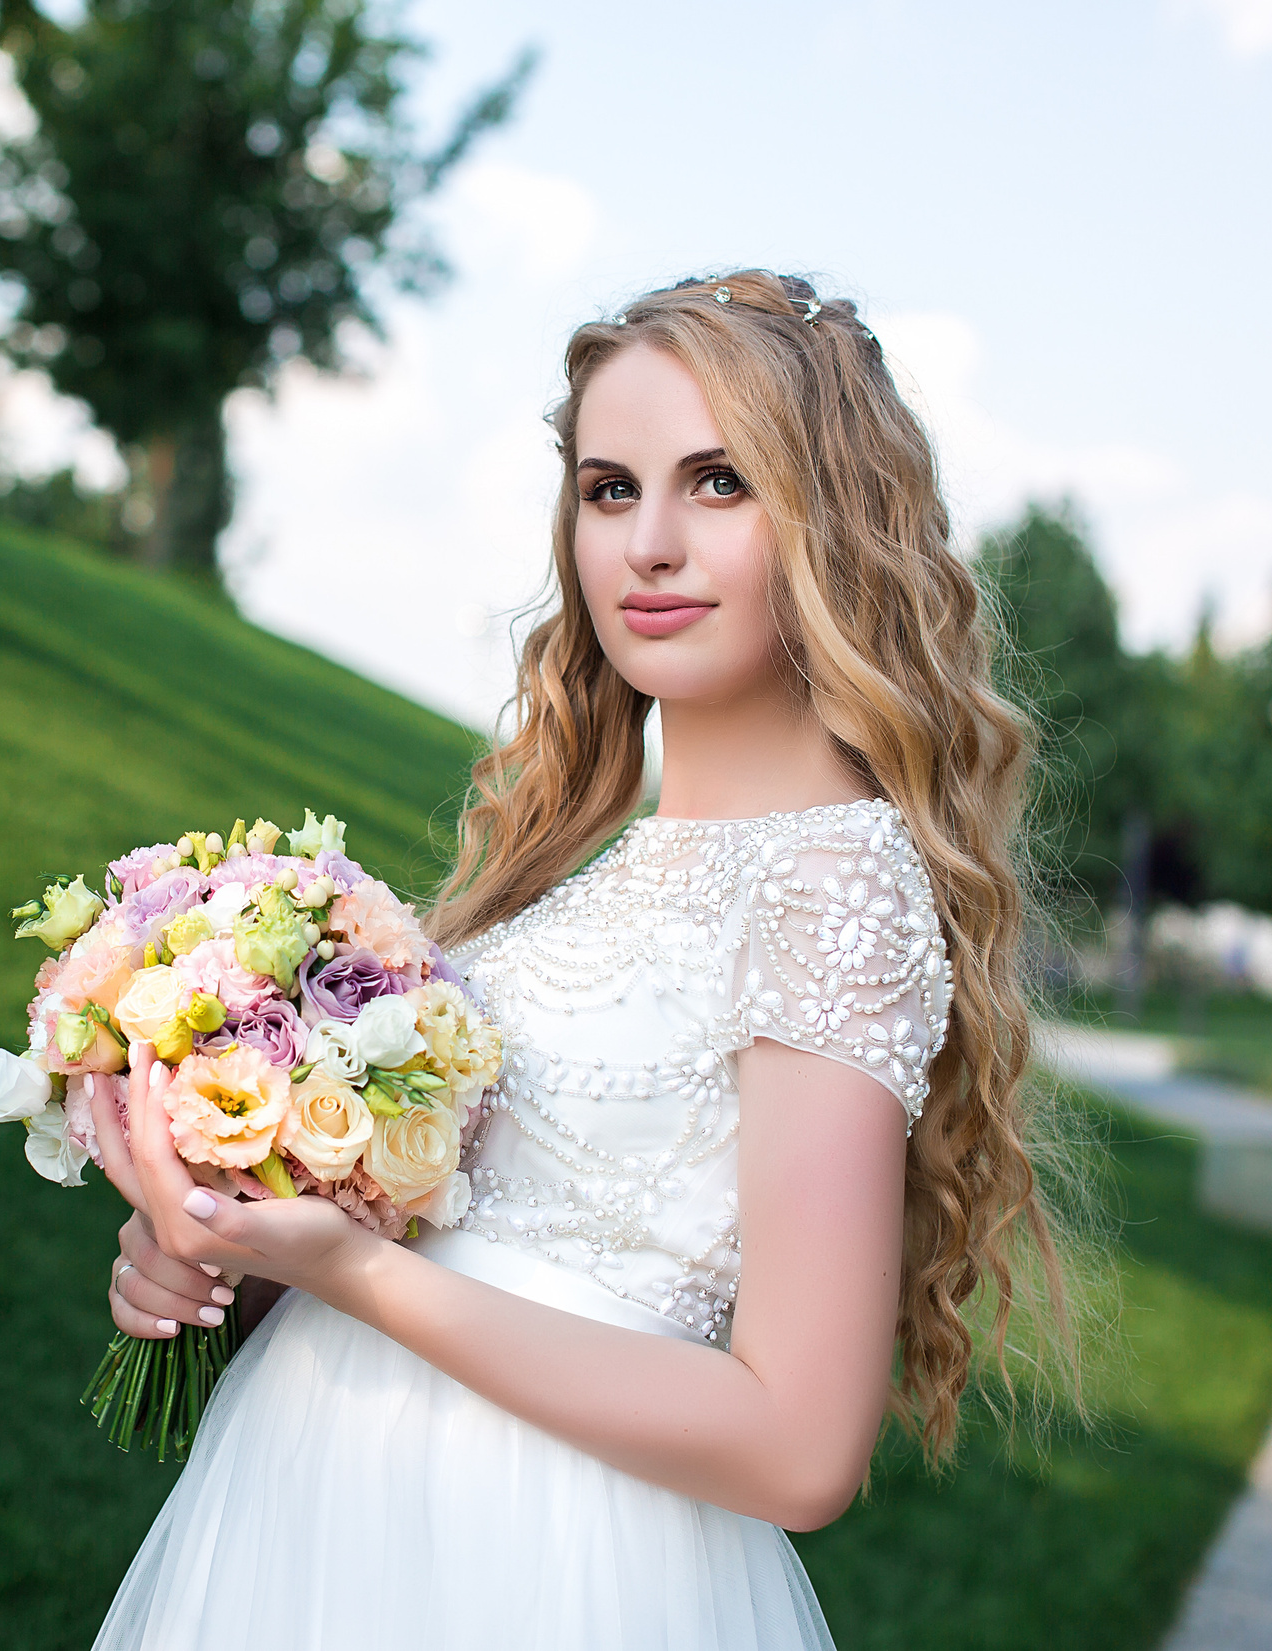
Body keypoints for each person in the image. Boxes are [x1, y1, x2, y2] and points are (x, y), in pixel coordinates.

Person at [85, 269, 1066, 1649]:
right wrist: (232, 1255)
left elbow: (799, 1450)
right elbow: (441, 1230)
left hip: (546, 1569)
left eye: (718, 483)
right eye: (610, 489)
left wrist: (358, 1277)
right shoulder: (560, 877)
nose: (648, 544)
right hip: (314, 1519)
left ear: (834, 519)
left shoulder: (834, 882)